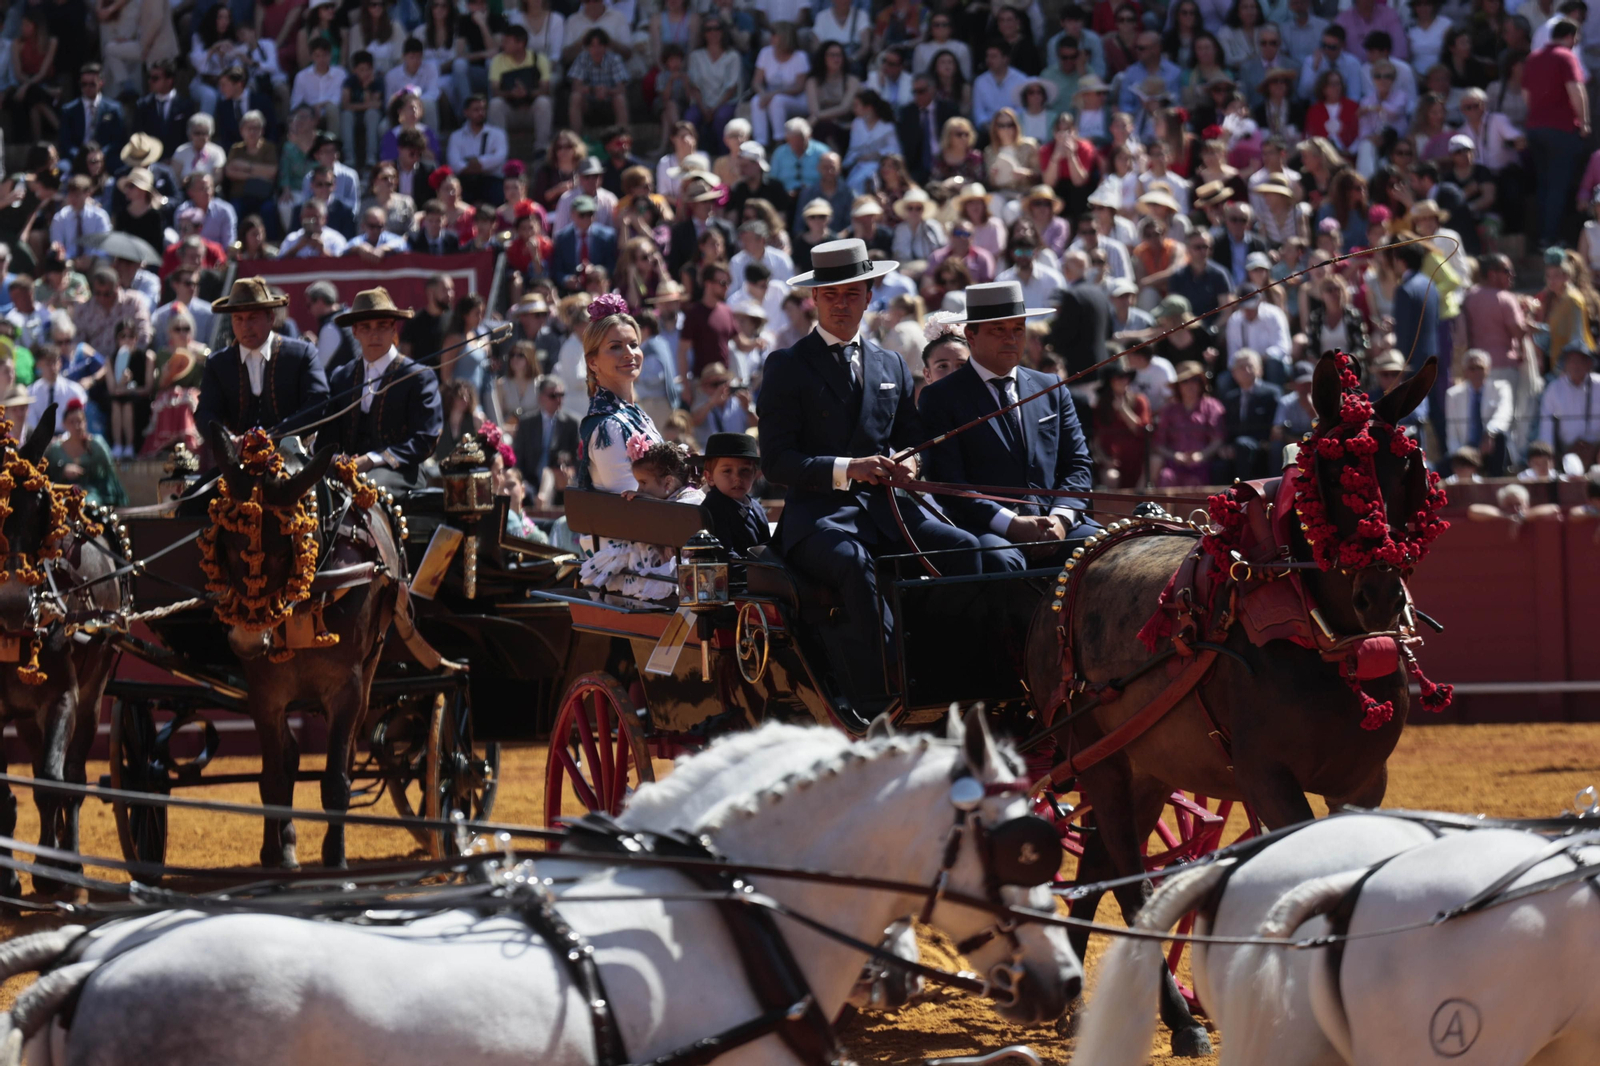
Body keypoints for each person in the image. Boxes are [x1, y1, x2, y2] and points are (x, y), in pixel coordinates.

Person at [758, 239, 991, 714]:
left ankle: (967, 679)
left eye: (852, 294)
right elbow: (777, 462)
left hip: (889, 510)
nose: (842, 304)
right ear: (815, 300)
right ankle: (884, 697)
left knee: (965, 549)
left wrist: (910, 462)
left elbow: (912, 440)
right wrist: (849, 469)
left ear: (869, 296)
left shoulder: (890, 365)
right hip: (819, 520)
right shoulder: (786, 366)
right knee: (855, 563)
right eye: (832, 295)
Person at [918, 280, 1096, 571]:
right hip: (988, 530)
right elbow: (948, 483)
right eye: (998, 330)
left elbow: (1078, 465)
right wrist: (1011, 524)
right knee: (998, 563)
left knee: (1113, 549)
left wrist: (1062, 518)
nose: (1011, 339)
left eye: (1018, 329)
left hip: (1057, 524)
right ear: (970, 336)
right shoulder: (940, 397)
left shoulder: (1050, 387)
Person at [324, 288, 443, 490]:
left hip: (401, 472)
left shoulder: (419, 377)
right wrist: (337, 459)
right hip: (346, 470)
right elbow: (328, 437)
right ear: (354, 331)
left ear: (393, 329)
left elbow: (425, 439)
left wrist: (372, 460)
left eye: (382, 326)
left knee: (366, 487)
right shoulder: (341, 377)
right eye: (366, 327)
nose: (374, 335)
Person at [196, 277, 328, 439]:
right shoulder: (218, 363)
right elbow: (205, 413)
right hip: (235, 459)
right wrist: (229, 440)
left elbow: (318, 402)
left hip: (292, 456)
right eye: (238, 318)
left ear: (270, 318)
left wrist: (279, 435)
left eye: (253, 318)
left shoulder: (301, 354)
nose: (245, 326)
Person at [581, 438, 703, 600]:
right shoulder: (665, 499)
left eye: (644, 483)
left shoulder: (691, 498)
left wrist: (649, 503)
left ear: (668, 482)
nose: (639, 489)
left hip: (690, 575)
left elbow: (678, 519)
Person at [1524, 19, 1588, 249]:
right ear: (1570, 36)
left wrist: (1538, 116)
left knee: (1544, 184)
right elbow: (1576, 90)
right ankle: (1550, 238)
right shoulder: (1566, 56)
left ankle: (1541, 235)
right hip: (1561, 130)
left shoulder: (1533, 58)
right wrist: (1584, 122)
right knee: (1559, 185)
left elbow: (1526, 96)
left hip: (1535, 128)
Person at [698, 430, 772, 555]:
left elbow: (768, 547)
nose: (737, 478)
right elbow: (725, 558)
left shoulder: (755, 507)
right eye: (727, 471)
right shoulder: (713, 509)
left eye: (745, 470)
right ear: (709, 477)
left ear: (754, 475)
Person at [1151, 362, 1224, 485]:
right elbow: (1158, 444)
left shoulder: (1213, 406)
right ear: (1178, 386)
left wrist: (1202, 455)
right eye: (1185, 381)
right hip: (1174, 464)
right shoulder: (1168, 409)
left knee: (1196, 482)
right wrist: (1175, 456)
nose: (1190, 385)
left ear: (1201, 384)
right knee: (1165, 477)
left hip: (1203, 465)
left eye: (1194, 380)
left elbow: (1218, 439)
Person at [45, 397, 125, 506]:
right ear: (64, 424)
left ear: (85, 422)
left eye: (79, 421)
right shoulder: (55, 450)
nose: (77, 426)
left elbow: (109, 474)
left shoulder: (97, 445)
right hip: (63, 495)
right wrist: (62, 471)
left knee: (87, 505)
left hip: (92, 495)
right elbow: (48, 477)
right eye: (71, 422)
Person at [1444, 349, 1513, 476]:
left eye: (1480, 367)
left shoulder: (1501, 388)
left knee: (1499, 438)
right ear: (1465, 371)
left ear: (1488, 369)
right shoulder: (1453, 395)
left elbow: (1504, 414)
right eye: (1472, 368)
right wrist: (1460, 455)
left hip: (1490, 445)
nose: (1476, 372)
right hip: (1465, 449)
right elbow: (1452, 431)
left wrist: (1489, 433)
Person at [1217, 348, 1282, 481]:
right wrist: (1225, 446)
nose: (1246, 370)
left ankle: (1245, 491)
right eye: (1241, 367)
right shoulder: (1230, 398)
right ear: (1233, 373)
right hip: (1238, 447)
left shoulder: (1271, 393)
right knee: (1219, 464)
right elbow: (1228, 427)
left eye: (1250, 366)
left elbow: (1275, 425)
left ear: (1259, 369)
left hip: (1262, 447)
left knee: (1242, 444)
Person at [1537, 342, 1600, 471]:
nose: (1576, 365)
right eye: (1572, 361)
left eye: (1581, 361)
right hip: (1566, 451)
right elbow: (1546, 427)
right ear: (1564, 365)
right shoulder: (1553, 390)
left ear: (1589, 364)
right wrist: (1548, 454)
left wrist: (1593, 448)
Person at [513, 373, 580, 487]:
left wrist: (570, 471)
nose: (558, 400)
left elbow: (578, 458)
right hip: (530, 482)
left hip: (559, 483)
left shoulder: (572, 423)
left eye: (561, 395)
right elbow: (518, 457)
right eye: (553, 396)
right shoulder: (527, 423)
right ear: (541, 397)